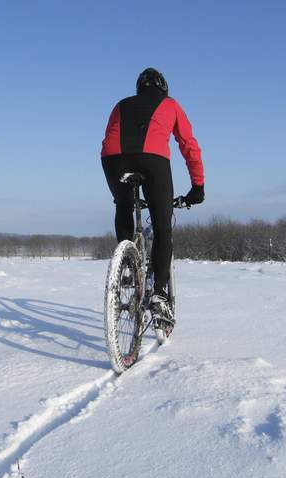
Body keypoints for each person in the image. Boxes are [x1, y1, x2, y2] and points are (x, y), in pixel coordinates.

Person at [101, 67, 206, 324]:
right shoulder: (170, 104)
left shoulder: (121, 104)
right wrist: (197, 186)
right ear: (163, 88)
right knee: (162, 228)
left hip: (113, 160)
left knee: (123, 204)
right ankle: (159, 294)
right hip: (152, 160)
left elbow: (109, 133)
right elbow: (188, 144)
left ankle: (125, 266)